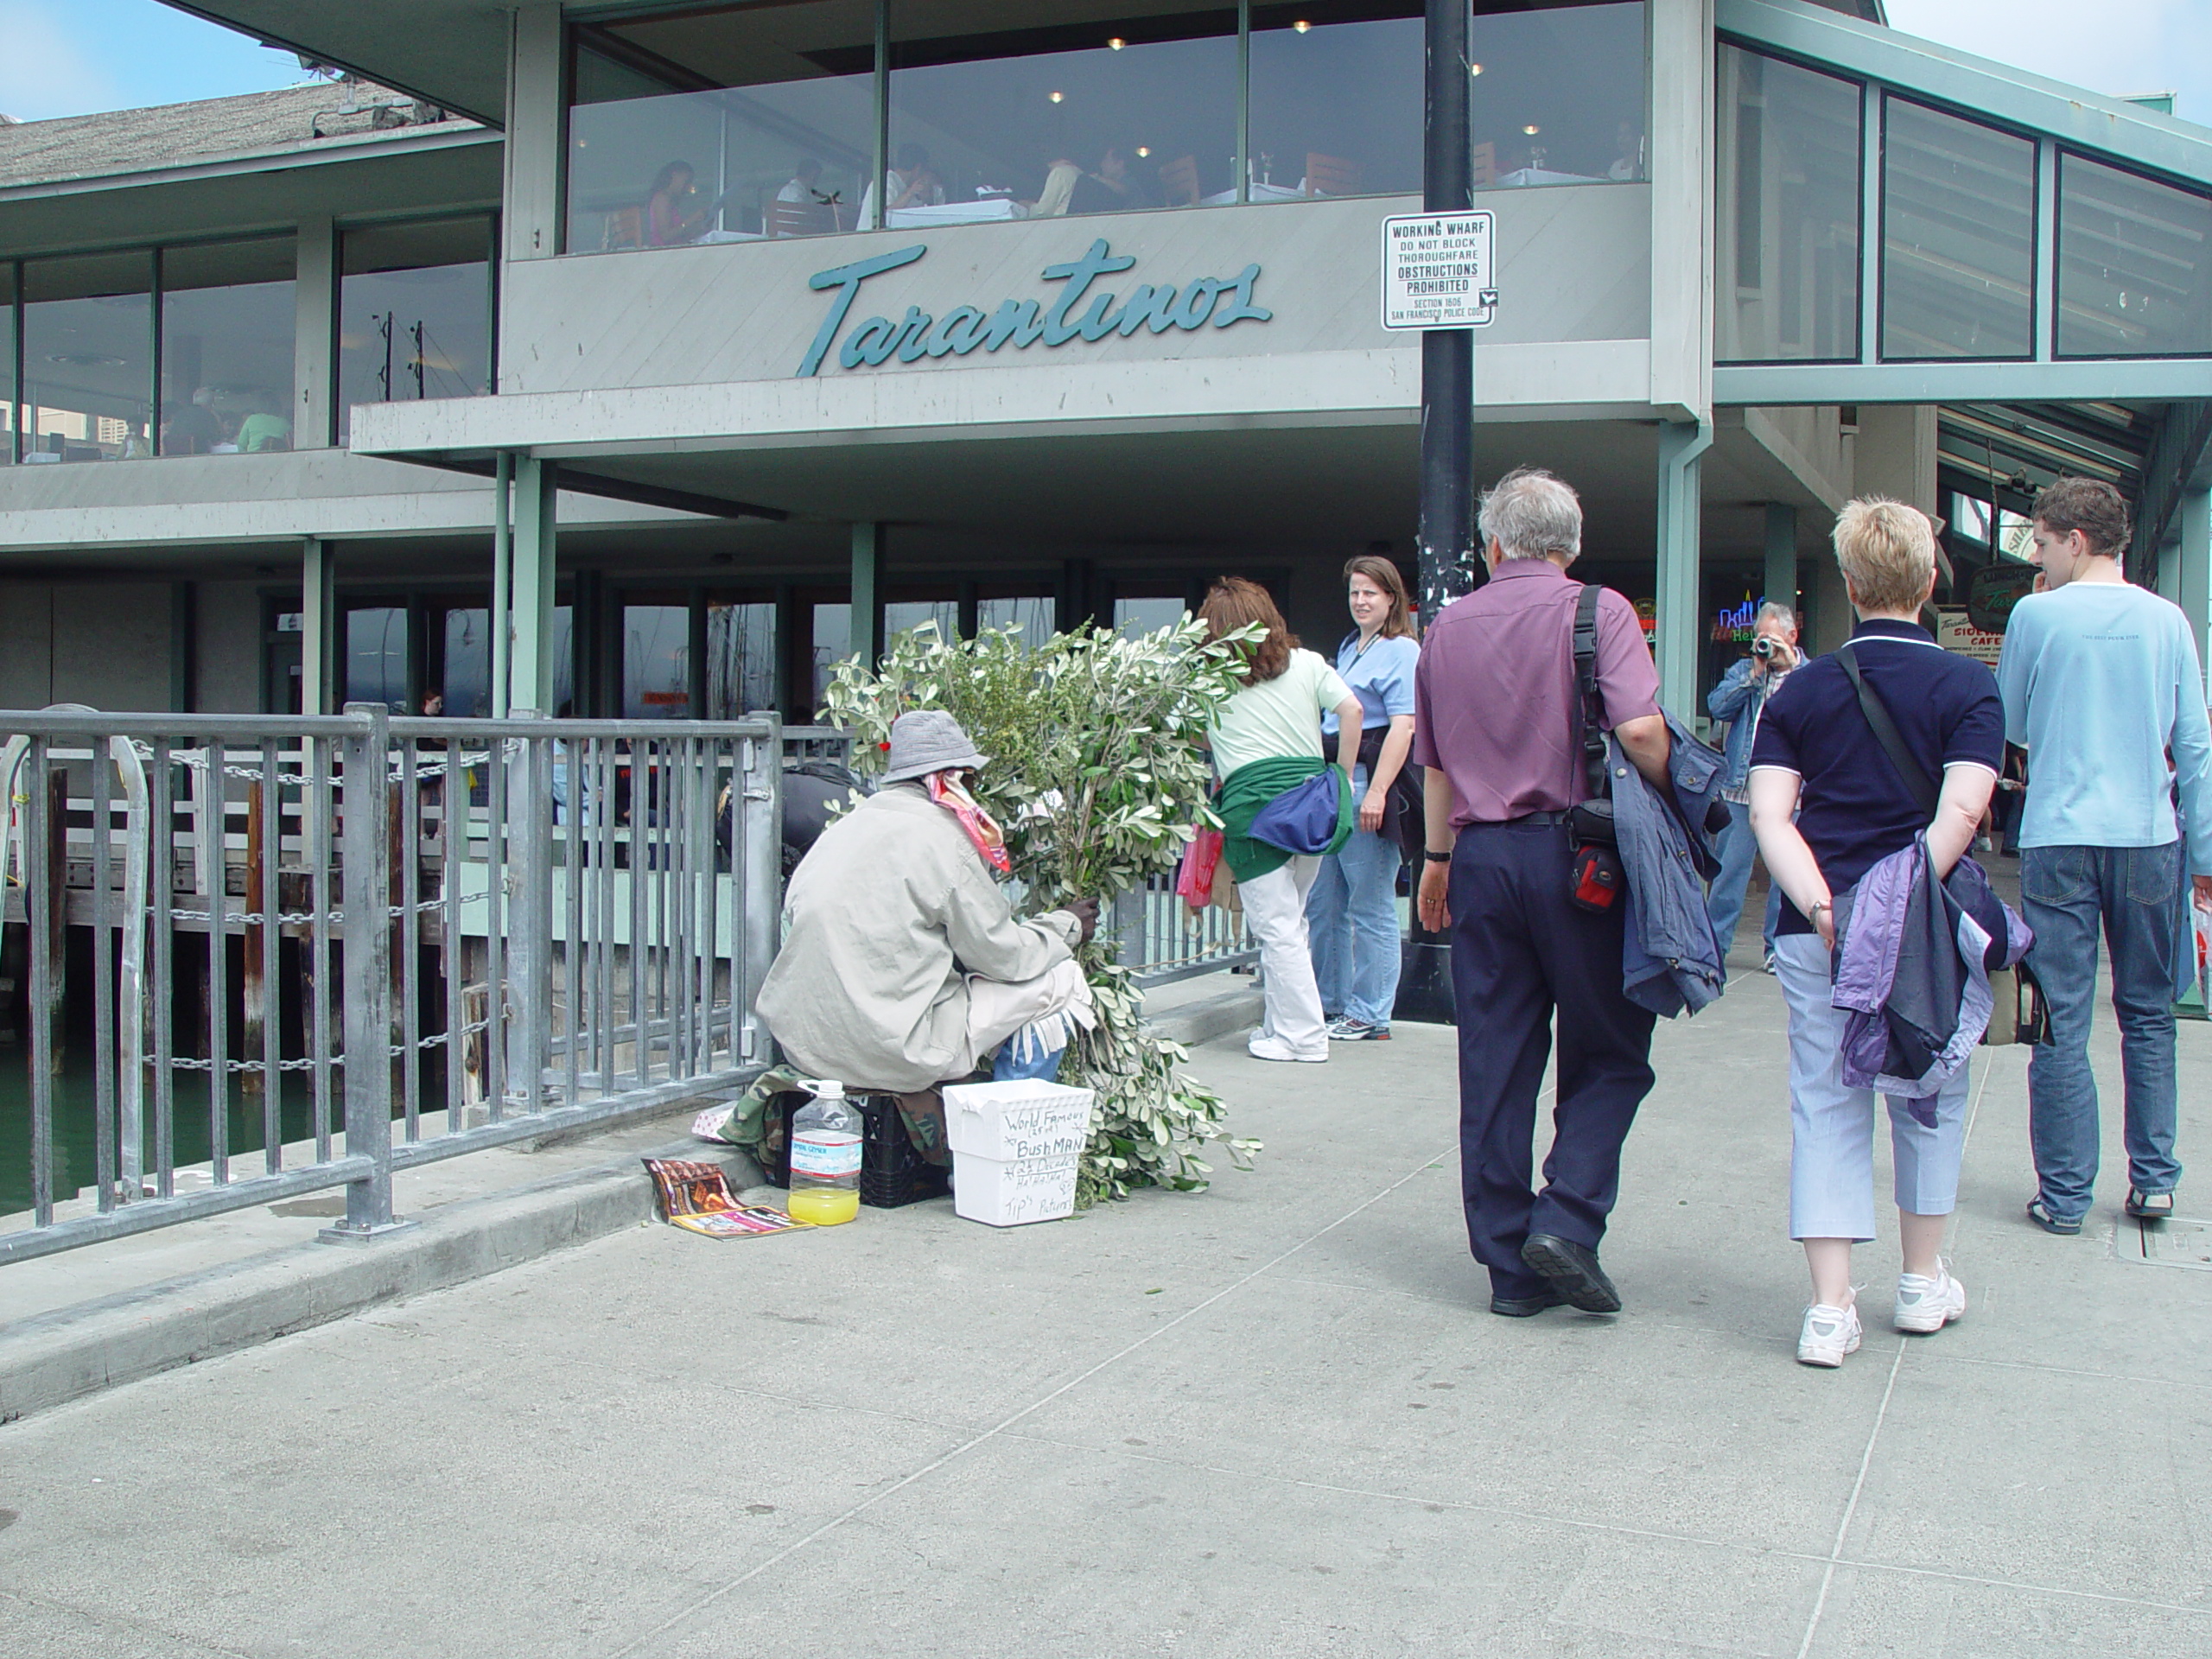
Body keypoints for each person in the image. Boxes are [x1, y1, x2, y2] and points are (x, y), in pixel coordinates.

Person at [1412, 467, 1675, 1319]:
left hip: (1481, 856)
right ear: (1571, 543)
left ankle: (1507, 1269)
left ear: (1492, 545)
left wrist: (1435, 861)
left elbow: (1438, 763)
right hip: (1580, 862)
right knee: (1607, 1053)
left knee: (1494, 1060)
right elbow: (1637, 729)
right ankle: (1564, 1217)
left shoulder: (1445, 628)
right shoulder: (1598, 612)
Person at [1748, 499, 2003, 1366]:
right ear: (1931, 583)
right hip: (1925, 930)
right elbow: (1963, 809)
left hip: (1810, 927)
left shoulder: (1800, 689)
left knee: (1824, 1099)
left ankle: (1828, 1309)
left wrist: (1830, 909)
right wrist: (1895, 902)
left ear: (1849, 587)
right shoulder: (1969, 685)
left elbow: (1771, 816)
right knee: (1927, 1095)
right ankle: (1921, 1282)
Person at [1994, 476, 2212, 1233]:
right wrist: (2205, 850)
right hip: (2149, 835)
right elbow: (2194, 745)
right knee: (2149, 1014)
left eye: (2043, 544)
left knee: (2060, 1016)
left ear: (2074, 541)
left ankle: (2064, 1196)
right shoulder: (2168, 621)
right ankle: (2153, 1182)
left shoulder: (2036, 615)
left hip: (2059, 832)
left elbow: (2013, 720)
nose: (2041, 559)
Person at [758, 711, 1099, 1094]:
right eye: (971, 777)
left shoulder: (843, 829)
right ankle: (1008, 1129)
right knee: (1062, 979)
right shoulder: (945, 838)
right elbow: (1004, 958)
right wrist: (1064, 925)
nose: (975, 787)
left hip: (808, 1048)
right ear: (951, 778)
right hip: (895, 1053)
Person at [1198, 577, 1363, 1064]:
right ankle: (1281, 1028)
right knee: (1294, 921)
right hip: (1313, 802)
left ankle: (1304, 1038)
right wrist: (1343, 778)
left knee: (1277, 928)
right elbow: (1352, 709)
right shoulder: (1310, 663)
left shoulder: (1210, 683)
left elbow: (1197, 742)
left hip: (1251, 809)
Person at [1306, 554, 1420, 1042]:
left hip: (1370, 779)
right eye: (1354, 592)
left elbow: (1405, 725)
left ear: (1391, 598)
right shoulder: (1350, 646)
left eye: (1370, 592)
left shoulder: (1402, 651)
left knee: (1370, 904)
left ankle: (1371, 1013)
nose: (1360, 601)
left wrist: (1375, 793)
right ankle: (1329, 1003)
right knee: (1324, 902)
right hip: (1332, 780)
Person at [1706, 601, 1800, 969]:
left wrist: (1788, 667)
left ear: (1792, 637)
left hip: (1789, 792)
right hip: (1740, 789)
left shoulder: (1807, 674)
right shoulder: (1746, 670)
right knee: (1730, 871)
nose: (1765, 647)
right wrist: (1755, 676)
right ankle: (1715, 947)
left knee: (1784, 875)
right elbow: (1718, 706)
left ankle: (1776, 949)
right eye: (1760, 638)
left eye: (1772, 639)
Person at [1071, 145, 1157, 214]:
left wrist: (1098, 178)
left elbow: (1125, 190)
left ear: (1120, 164)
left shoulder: (1129, 181)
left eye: (1106, 160)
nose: (1102, 165)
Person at [645, 162, 714, 245]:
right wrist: (692, 219)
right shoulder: (662, 198)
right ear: (675, 175)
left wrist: (702, 228)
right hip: (664, 252)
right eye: (686, 181)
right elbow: (666, 236)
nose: (687, 185)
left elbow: (679, 235)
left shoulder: (670, 201)